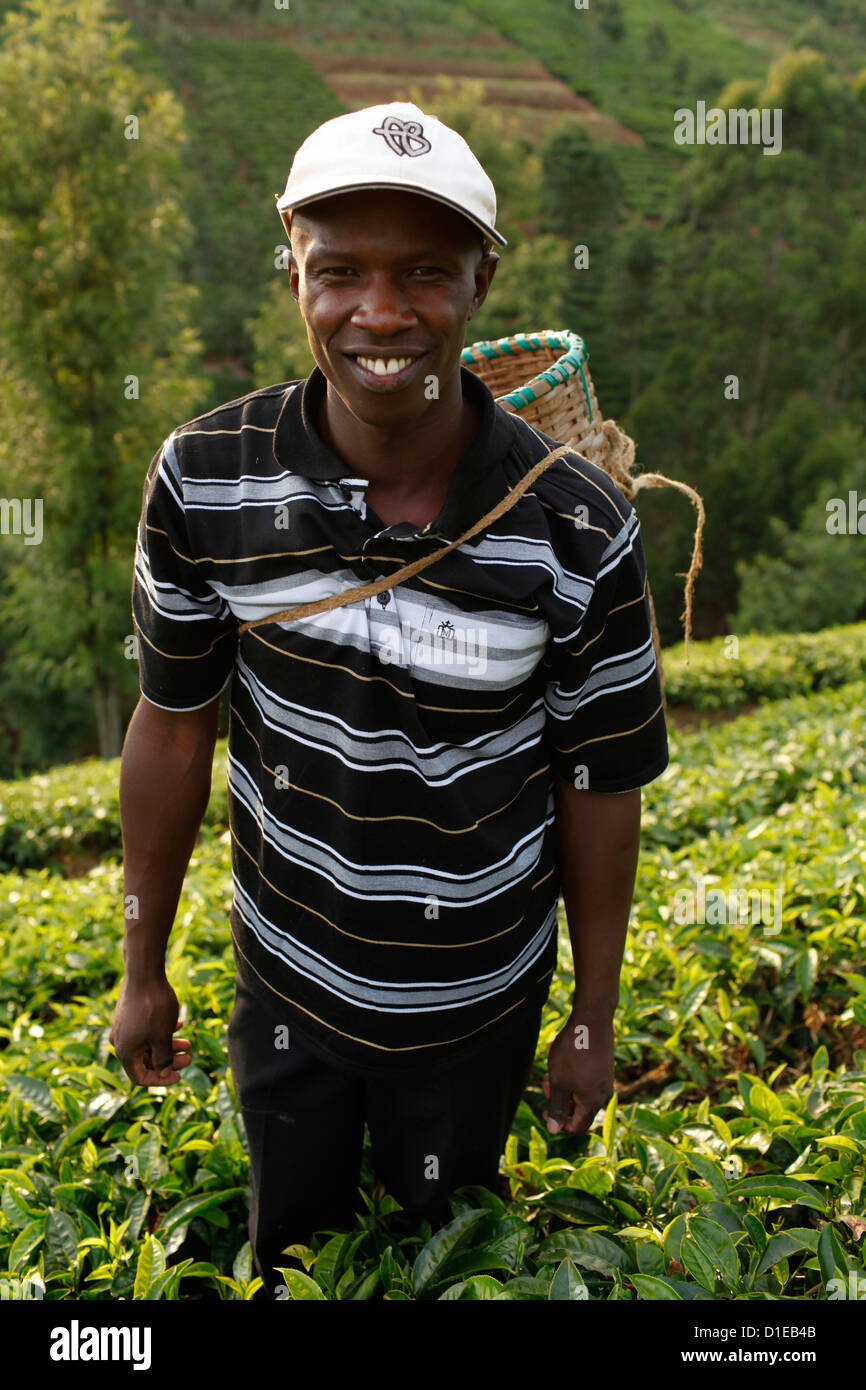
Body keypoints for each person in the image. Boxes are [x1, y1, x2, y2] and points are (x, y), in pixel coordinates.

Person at [111, 101, 669, 1297]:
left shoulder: (576, 524)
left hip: (479, 1003)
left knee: (442, 1260)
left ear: (480, 283)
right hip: (285, 983)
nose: (380, 313)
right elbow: (171, 724)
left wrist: (591, 1013)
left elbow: (597, 780)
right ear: (296, 279)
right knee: (297, 1258)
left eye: (424, 272)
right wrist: (139, 961)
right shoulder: (206, 479)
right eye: (339, 272)